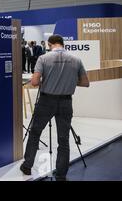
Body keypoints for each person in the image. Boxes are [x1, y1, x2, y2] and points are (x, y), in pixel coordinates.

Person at [20, 34, 90, 181]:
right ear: (62, 44)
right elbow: (85, 82)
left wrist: (48, 81)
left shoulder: (43, 58)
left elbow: (34, 82)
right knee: (63, 140)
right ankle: (61, 175)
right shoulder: (76, 60)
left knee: (35, 133)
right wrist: (69, 82)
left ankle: (27, 166)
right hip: (66, 102)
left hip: (46, 101)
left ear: (51, 44)